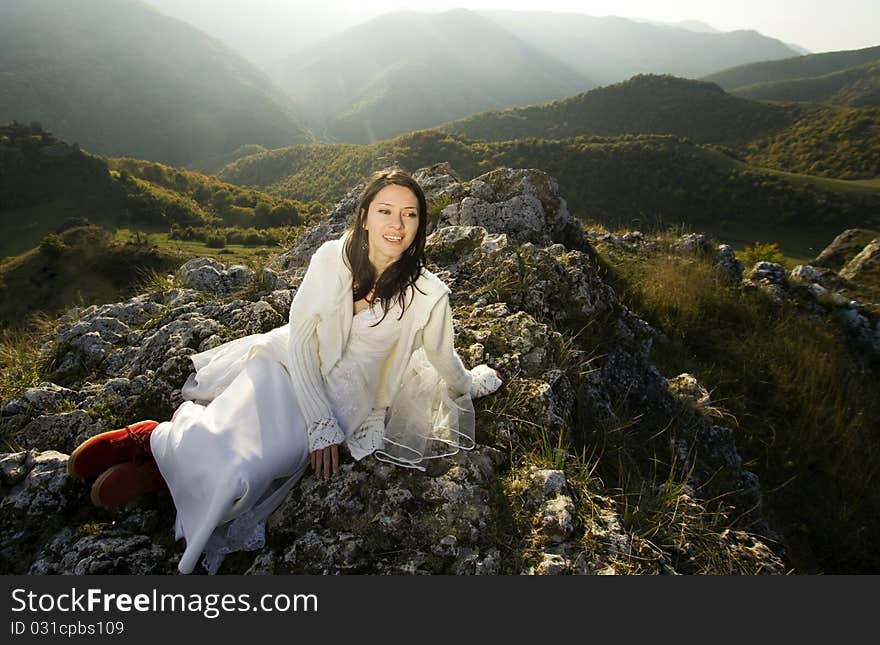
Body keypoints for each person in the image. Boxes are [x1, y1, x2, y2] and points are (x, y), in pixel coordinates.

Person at [66, 169, 504, 574]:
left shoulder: (429, 295)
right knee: (233, 425)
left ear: (419, 224)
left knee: (258, 467)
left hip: (346, 399)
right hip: (287, 363)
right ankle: (150, 440)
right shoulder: (333, 257)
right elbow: (299, 337)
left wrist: (471, 383)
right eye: (385, 211)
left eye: (409, 214)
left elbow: (445, 359)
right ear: (366, 216)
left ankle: (161, 464)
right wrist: (317, 422)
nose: (397, 224)